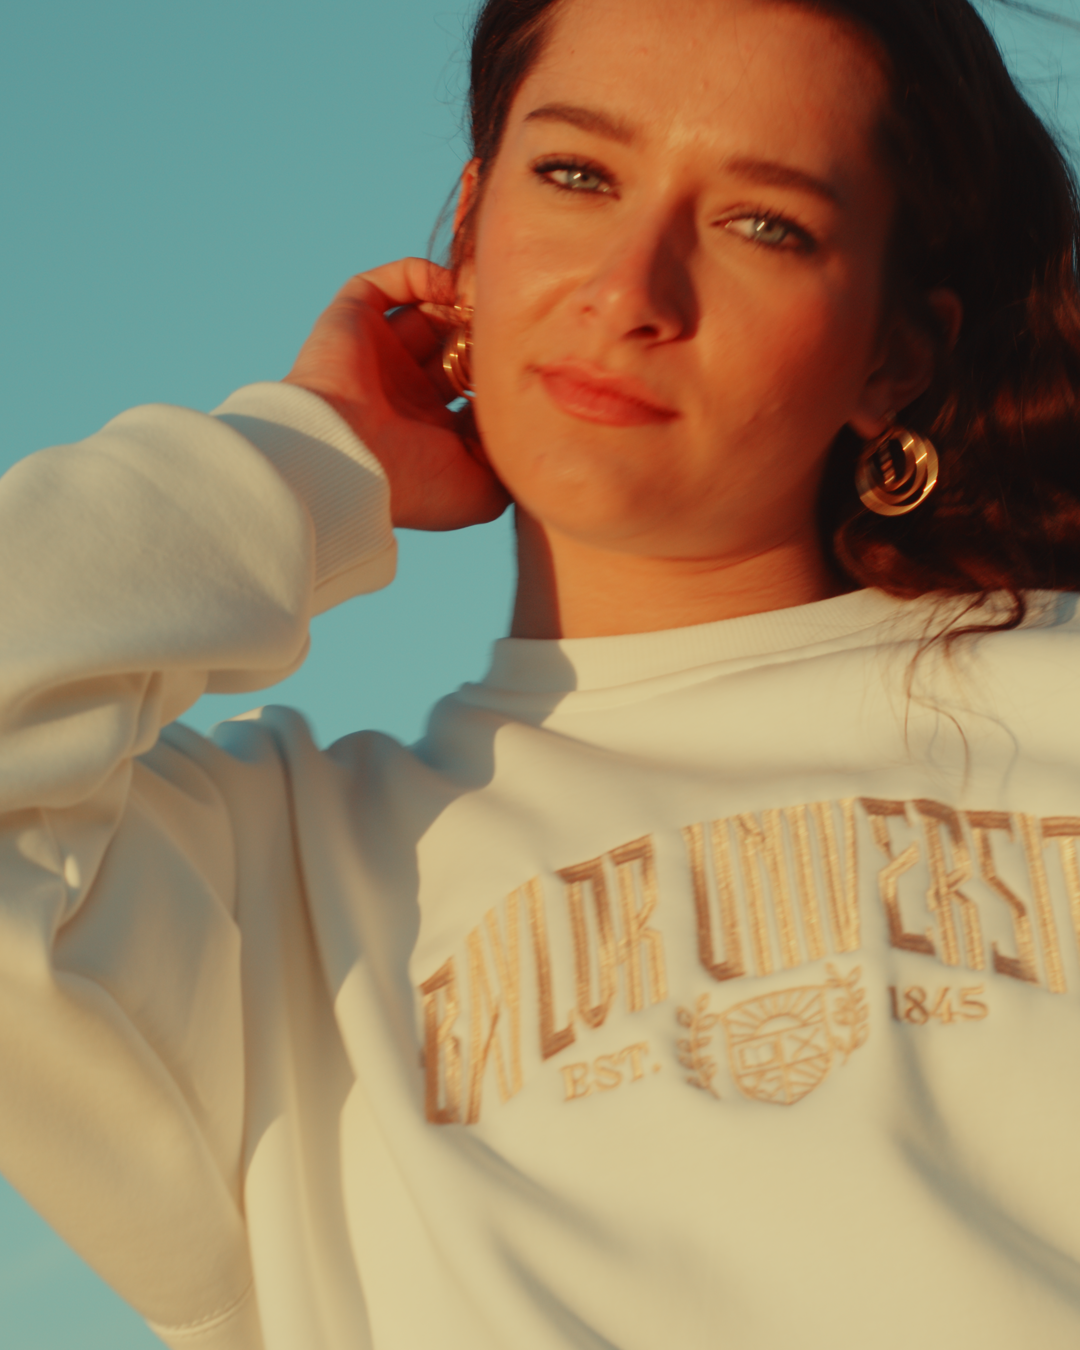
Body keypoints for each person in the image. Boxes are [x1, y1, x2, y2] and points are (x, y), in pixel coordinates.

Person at [3, 0, 1080, 1345]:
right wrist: (307, 454)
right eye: (576, 177)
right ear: (470, 227)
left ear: (892, 352)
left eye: (763, 224)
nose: (630, 291)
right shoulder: (273, 896)